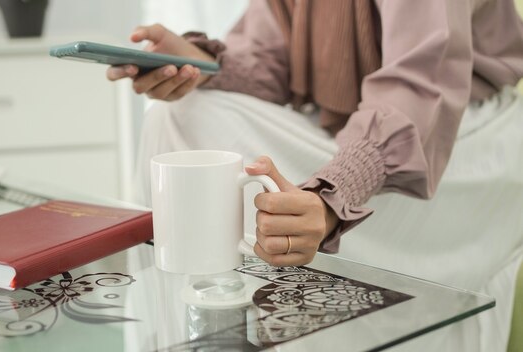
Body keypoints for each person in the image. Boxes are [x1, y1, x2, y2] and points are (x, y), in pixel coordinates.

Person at [108, 1, 523, 351]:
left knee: (188, 126)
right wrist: (204, 63)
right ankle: (176, 325)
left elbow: (419, 86)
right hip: (343, 122)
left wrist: (331, 197)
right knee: (177, 113)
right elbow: (274, 58)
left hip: (453, 132)